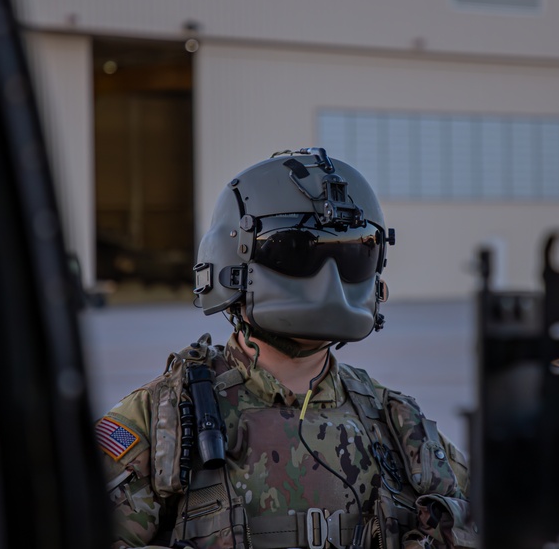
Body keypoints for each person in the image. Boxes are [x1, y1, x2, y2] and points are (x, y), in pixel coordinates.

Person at [95, 148, 475, 549]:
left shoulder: (396, 424)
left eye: (352, 253)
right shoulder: (166, 421)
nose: (328, 282)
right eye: (296, 251)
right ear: (232, 265)